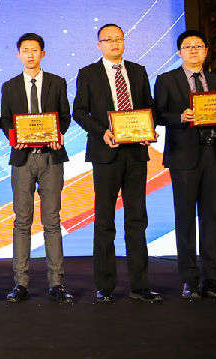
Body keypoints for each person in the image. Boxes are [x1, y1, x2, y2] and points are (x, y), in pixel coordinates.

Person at [73, 23, 161, 303]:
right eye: (108, 39)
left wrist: (149, 128)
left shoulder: (137, 71)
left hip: (135, 154)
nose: (114, 43)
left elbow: (148, 105)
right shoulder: (88, 73)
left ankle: (140, 286)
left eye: (118, 39)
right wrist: (102, 132)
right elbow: (79, 112)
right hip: (105, 154)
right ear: (99, 45)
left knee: (137, 220)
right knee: (104, 220)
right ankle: (105, 286)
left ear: (124, 42)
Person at [153, 29, 216, 300]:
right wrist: (181, 117)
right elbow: (157, 114)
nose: (193, 51)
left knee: (213, 218)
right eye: (188, 47)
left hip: (213, 154)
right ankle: (190, 280)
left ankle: (213, 281)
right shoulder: (166, 80)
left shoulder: (215, 80)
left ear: (206, 51)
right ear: (179, 52)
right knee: (186, 218)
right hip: (184, 157)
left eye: (198, 46)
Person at [0, 33, 74, 303]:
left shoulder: (57, 82)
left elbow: (64, 116)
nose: (30, 55)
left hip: (51, 157)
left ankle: (57, 283)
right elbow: (5, 119)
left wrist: (57, 133)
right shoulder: (10, 86)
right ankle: (20, 284)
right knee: (22, 222)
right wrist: (14, 137)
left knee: (52, 221)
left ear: (43, 53)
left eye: (34, 50)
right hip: (22, 159)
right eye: (25, 50)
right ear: (18, 55)